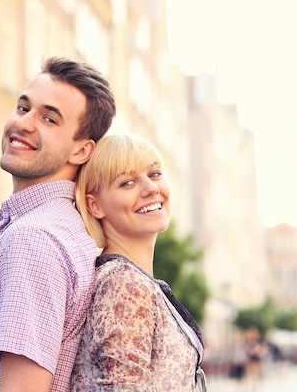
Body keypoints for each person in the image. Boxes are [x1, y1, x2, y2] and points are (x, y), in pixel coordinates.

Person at [0, 56, 116, 391]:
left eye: (49, 118)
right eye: (23, 107)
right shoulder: (63, 229)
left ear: (81, 151)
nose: (25, 123)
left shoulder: (34, 240)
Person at [70, 134, 206, 391]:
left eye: (154, 174)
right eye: (127, 182)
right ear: (95, 205)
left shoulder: (128, 279)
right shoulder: (125, 285)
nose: (151, 188)